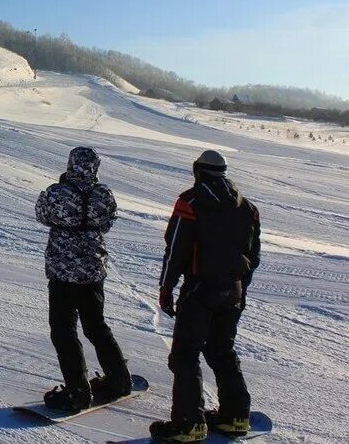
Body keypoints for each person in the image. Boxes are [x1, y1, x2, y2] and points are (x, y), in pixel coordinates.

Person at [150, 150, 261, 442]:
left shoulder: (190, 202)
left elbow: (175, 248)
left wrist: (166, 288)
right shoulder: (247, 207)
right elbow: (254, 254)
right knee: (221, 350)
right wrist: (240, 289)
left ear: (198, 170)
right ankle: (235, 417)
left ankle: (189, 424)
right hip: (233, 289)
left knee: (185, 354)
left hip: (201, 289)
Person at [36, 147, 131, 412]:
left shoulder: (57, 192)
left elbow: (42, 215)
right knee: (96, 325)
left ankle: (77, 392)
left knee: (63, 329)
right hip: (92, 270)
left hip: (64, 271)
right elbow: (108, 222)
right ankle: (119, 378)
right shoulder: (104, 194)